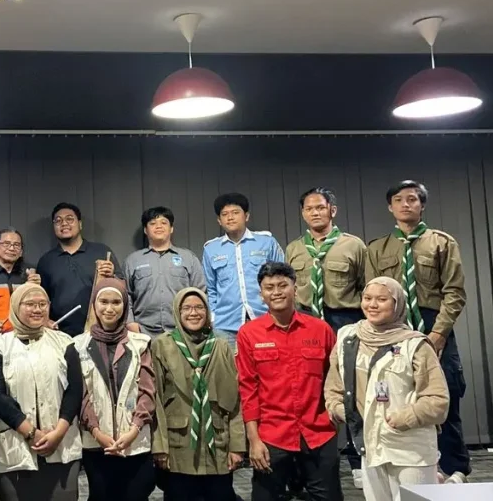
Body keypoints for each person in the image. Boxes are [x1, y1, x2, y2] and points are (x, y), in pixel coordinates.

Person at [365, 180, 470, 484]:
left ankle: (454, 469)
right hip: (394, 328)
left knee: (443, 394)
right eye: (398, 200)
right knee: (396, 395)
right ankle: (410, 464)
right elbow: (373, 293)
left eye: (412, 199)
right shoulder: (377, 248)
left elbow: (454, 292)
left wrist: (438, 334)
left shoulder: (441, 243)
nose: (405, 204)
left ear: (422, 205)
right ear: (390, 207)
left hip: (433, 324)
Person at [324, 277, 449, 501]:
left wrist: (403, 419)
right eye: (367, 298)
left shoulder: (415, 344)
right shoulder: (347, 337)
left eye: (381, 300)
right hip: (369, 446)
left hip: (410, 450)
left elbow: (438, 401)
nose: (372, 305)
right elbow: (333, 385)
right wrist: (340, 410)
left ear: (397, 304)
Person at [236, 262, 342, 501]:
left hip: (319, 434)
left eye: (282, 285)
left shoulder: (321, 330)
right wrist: (253, 439)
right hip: (272, 436)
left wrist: (336, 422)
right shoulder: (249, 334)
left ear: (295, 288)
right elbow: (248, 389)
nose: (276, 292)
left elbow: (335, 381)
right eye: (269, 287)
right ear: (261, 294)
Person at [285, 187, 368, 488]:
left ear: (332, 210)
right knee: (309, 391)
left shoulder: (353, 245)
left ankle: (359, 459)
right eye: (309, 208)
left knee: (351, 390)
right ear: (303, 213)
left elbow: (367, 287)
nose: (315, 213)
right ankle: (311, 463)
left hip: (344, 319)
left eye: (320, 207)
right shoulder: (294, 248)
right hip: (307, 322)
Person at [0, 282, 84, 501]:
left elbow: (75, 390)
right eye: (30, 304)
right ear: (15, 307)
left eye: (42, 304)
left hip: (61, 445)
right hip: (14, 449)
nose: (37, 309)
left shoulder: (64, 342)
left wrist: (58, 433)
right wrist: (30, 432)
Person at [151, 287, 245, 501]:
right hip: (179, 447)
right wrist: (159, 447)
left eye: (199, 307)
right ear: (177, 312)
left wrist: (237, 446)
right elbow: (156, 401)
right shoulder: (162, 346)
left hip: (217, 447)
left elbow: (235, 401)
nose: (193, 313)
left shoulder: (221, 346)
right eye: (186, 308)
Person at [75, 277, 157, 501]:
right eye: (103, 302)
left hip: (135, 441)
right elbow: (81, 395)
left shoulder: (141, 343)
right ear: (94, 305)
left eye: (116, 302)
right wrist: (97, 433)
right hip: (96, 443)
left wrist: (133, 431)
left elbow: (147, 391)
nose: (109, 308)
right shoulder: (78, 345)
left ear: (125, 306)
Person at [203, 193, 285, 351]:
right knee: (230, 366)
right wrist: (213, 317)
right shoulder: (211, 249)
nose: (230, 218)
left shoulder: (266, 242)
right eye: (225, 214)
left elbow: (282, 279)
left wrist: (279, 312)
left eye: (235, 212)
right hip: (226, 324)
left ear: (246, 216)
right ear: (219, 220)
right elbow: (211, 288)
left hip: (266, 318)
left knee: (270, 362)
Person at [37, 202, 123, 337]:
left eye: (69, 219)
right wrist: (45, 320)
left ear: (80, 224)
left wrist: (112, 276)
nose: (64, 223)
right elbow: (41, 298)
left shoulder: (101, 251)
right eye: (58, 221)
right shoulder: (46, 260)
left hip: (99, 330)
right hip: (59, 333)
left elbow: (122, 289)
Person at [124, 206, 206, 336]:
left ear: (171, 228)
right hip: (143, 332)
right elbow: (126, 295)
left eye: (164, 222)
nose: (158, 226)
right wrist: (130, 323)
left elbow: (200, 292)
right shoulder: (133, 260)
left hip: (182, 330)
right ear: (145, 230)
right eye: (153, 223)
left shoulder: (188, 258)